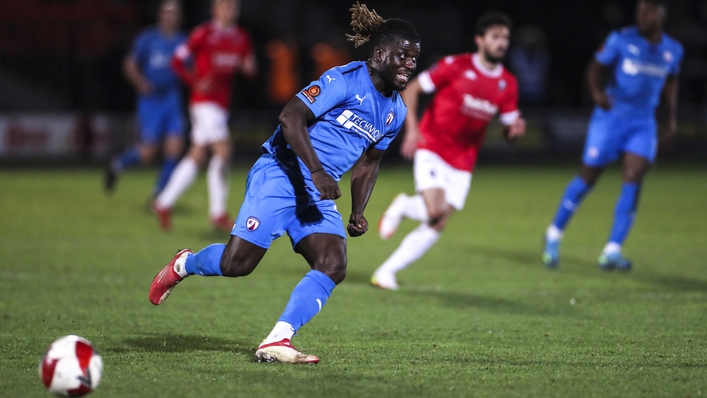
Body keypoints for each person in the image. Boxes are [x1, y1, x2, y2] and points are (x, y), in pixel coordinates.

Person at [148, 2, 420, 364]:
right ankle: (185, 264)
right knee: (237, 264)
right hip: (281, 173)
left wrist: (358, 211)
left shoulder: (396, 111)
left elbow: (369, 163)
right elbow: (290, 117)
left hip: (317, 193)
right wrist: (318, 171)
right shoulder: (343, 80)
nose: (409, 65)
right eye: (403, 56)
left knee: (332, 264)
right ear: (380, 53)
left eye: (414, 59)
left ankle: (278, 339)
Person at [371, 11, 526, 290]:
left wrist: (513, 131)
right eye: (495, 37)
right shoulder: (455, 65)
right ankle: (404, 206)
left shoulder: (508, 84)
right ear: (480, 40)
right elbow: (413, 89)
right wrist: (413, 130)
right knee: (436, 209)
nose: (502, 43)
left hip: (464, 159)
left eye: (505, 38)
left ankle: (386, 271)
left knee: (437, 221)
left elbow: (508, 128)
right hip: (433, 144)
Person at [542, 0, 682, 271]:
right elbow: (595, 67)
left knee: (633, 179)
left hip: (643, 123)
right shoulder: (621, 39)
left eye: (648, 11)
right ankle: (554, 234)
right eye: (639, 11)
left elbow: (672, 80)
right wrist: (596, 91)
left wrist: (672, 117)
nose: (642, 16)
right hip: (611, 118)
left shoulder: (673, 50)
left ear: (662, 14)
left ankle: (612, 251)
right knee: (588, 177)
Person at [152, 0, 257, 232]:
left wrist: (248, 68)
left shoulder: (240, 37)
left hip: (221, 105)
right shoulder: (203, 34)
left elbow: (248, 66)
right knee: (223, 150)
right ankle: (218, 213)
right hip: (203, 103)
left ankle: (163, 202)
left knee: (197, 154)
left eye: (233, 7)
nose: (229, 10)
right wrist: (195, 82)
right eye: (225, 6)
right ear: (215, 9)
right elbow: (178, 60)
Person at [104, 0, 187, 199]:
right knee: (148, 153)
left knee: (174, 148)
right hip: (151, 100)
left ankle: (158, 195)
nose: (171, 16)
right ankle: (117, 164)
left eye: (175, 12)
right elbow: (130, 64)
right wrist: (141, 82)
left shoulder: (184, 40)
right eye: (167, 12)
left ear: (179, 17)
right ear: (160, 15)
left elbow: (193, 65)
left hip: (172, 97)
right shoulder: (148, 38)